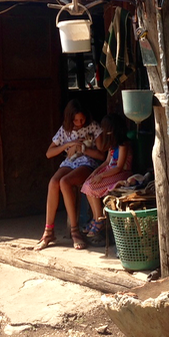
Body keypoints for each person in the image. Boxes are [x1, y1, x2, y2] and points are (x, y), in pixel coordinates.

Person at [34, 99, 105, 251]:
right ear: (69, 118)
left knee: (65, 182)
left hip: (87, 163)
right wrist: (68, 145)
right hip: (69, 162)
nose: (79, 123)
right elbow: (49, 153)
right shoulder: (64, 130)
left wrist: (83, 149)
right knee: (53, 182)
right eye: (76, 120)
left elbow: (101, 155)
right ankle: (48, 231)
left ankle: (75, 231)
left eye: (82, 119)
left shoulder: (92, 126)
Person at [81, 113, 132, 245]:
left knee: (92, 187)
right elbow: (107, 162)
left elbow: (119, 167)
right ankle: (95, 216)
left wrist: (102, 176)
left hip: (121, 174)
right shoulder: (112, 146)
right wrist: (96, 172)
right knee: (88, 184)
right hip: (110, 171)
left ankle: (100, 219)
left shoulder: (123, 145)